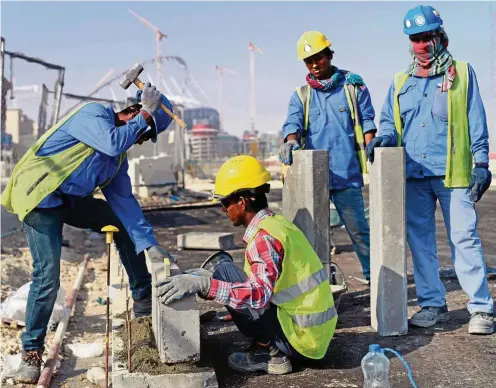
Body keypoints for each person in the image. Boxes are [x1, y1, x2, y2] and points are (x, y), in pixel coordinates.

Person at [1, 83, 178, 383]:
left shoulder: (116, 161)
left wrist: (149, 243)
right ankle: (31, 352)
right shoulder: (93, 115)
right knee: (47, 275)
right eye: (143, 131)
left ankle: (143, 303)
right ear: (133, 111)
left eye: (145, 136)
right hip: (40, 196)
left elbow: (124, 203)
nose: (139, 139)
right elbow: (110, 142)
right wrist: (147, 115)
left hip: (67, 199)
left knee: (122, 225)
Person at [369, 5, 494, 334]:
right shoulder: (400, 81)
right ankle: (432, 305)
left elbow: (476, 121)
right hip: (413, 176)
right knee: (420, 242)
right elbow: (389, 124)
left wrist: (481, 163)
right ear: (409, 43)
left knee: (463, 238)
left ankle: (481, 309)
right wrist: (382, 139)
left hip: (453, 175)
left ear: (440, 37)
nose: (422, 45)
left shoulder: (462, 74)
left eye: (427, 38)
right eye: (416, 39)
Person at [156, 155, 337, 374]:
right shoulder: (277, 224)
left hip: (300, 341)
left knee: (226, 276)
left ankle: (270, 352)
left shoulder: (263, 239)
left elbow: (258, 295)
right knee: (223, 270)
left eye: (224, 202)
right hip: (314, 334)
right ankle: (270, 346)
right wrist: (209, 278)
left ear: (241, 201)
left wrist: (206, 285)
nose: (223, 209)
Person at [279, 31, 377, 282]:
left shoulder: (352, 87)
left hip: (346, 174)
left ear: (329, 55)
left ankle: (375, 277)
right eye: (308, 60)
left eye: (319, 58)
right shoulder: (301, 95)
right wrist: (290, 142)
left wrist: (373, 151)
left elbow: (367, 121)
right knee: (314, 235)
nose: (314, 64)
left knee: (359, 231)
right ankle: (320, 281)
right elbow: (293, 124)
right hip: (315, 177)